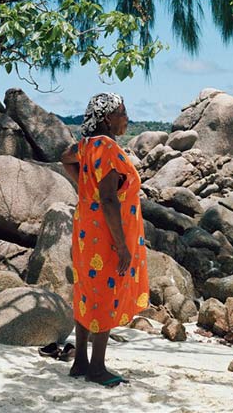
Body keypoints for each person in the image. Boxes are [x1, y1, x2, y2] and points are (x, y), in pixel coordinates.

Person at [60, 92, 149, 387]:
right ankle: (97, 368)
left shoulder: (86, 145)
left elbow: (65, 157)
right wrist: (122, 246)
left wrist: (87, 191)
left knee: (87, 288)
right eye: (123, 113)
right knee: (106, 292)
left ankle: (80, 362)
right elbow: (110, 199)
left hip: (86, 227)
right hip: (106, 234)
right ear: (108, 117)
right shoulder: (108, 147)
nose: (127, 118)